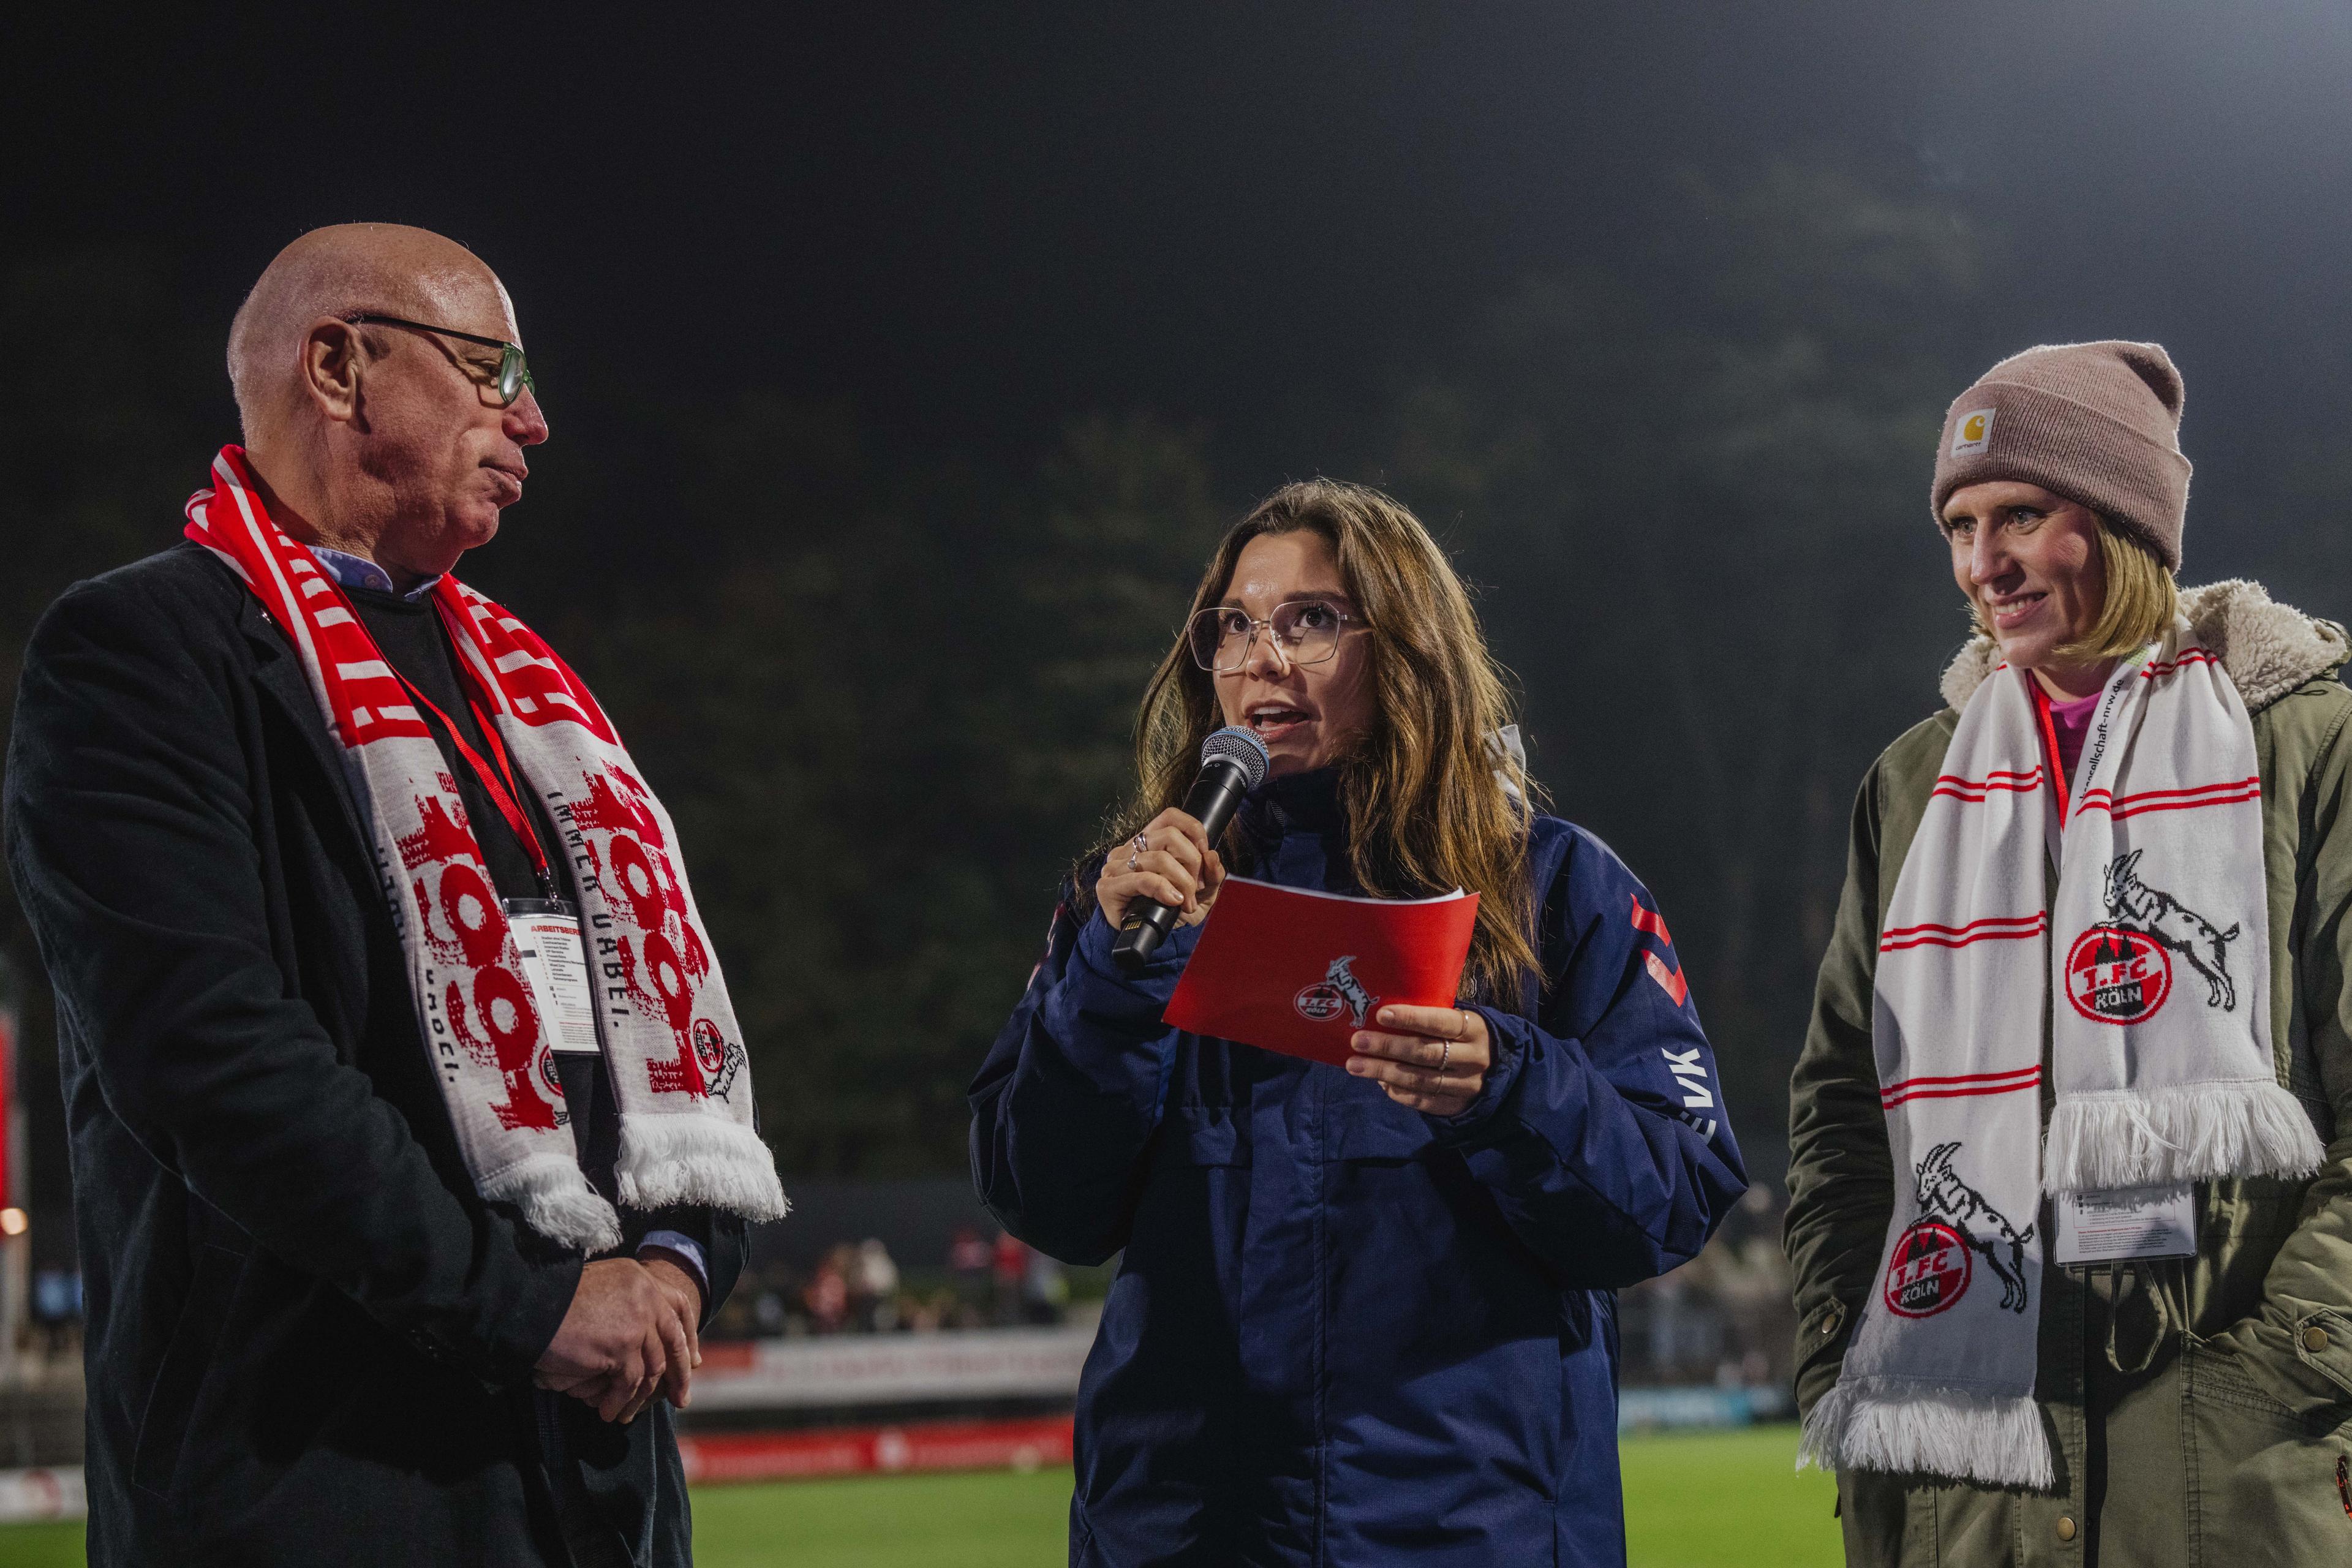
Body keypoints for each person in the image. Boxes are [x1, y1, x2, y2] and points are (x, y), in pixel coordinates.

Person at [4, 224, 786, 1566]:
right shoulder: (141, 653)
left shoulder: (528, 687)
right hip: (316, 1476)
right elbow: (214, 1057)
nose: (532, 419)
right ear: (339, 365)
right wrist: (526, 1305)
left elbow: (657, 1051)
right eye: (493, 368)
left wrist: (672, 1263)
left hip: (595, 1481)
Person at [970, 480, 1747, 1566]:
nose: (1261, 657)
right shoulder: (1128, 903)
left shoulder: (1556, 889)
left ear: (1409, 650)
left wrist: (1507, 1086)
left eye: (1312, 621)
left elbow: (1675, 1190)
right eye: (1234, 625)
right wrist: (1109, 984)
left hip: (1469, 1529)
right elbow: (1042, 1199)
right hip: (1184, 1530)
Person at [1785, 341, 2352, 1562]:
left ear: (2124, 520)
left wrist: (2281, 1370)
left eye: (2022, 514)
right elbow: (1839, 1104)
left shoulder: (2312, 744)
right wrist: (1844, 1348)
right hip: (1964, 1474)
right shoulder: (1917, 780)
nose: (1981, 562)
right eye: (1961, 523)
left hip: (2227, 1473)